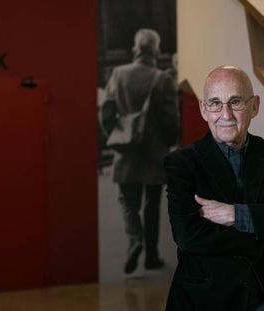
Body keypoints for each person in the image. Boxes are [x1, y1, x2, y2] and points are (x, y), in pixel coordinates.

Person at [164, 66, 264, 310]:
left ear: (254, 106)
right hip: (208, 300)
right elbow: (188, 237)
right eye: (215, 103)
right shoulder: (182, 163)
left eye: (235, 102)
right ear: (204, 109)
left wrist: (235, 214)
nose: (225, 114)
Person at [100, 28, 179, 274]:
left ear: (135, 49)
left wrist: (116, 136)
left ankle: (134, 241)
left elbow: (106, 112)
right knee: (152, 203)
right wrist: (169, 142)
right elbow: (171, 119)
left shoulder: (119, 74)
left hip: (126, 152)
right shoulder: (163, 79)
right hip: (155, 153)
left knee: (127, 201)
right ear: (156, 50)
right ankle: (152, 256)